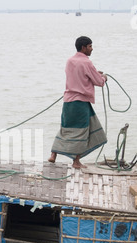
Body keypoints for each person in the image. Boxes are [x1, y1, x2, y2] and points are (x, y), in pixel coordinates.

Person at [48, 36, 108, 169]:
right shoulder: (87, 63)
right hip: (81, 103)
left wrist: (94, 74)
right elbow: (99, 82)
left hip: (68, 101)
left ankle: (53, 154)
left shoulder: (70, 61)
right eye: (90, 46)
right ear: (83, 47)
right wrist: (103, 77)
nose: (92, 49)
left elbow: (80, 76)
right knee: (81, 131)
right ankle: (76, 161)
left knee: (65, 128)